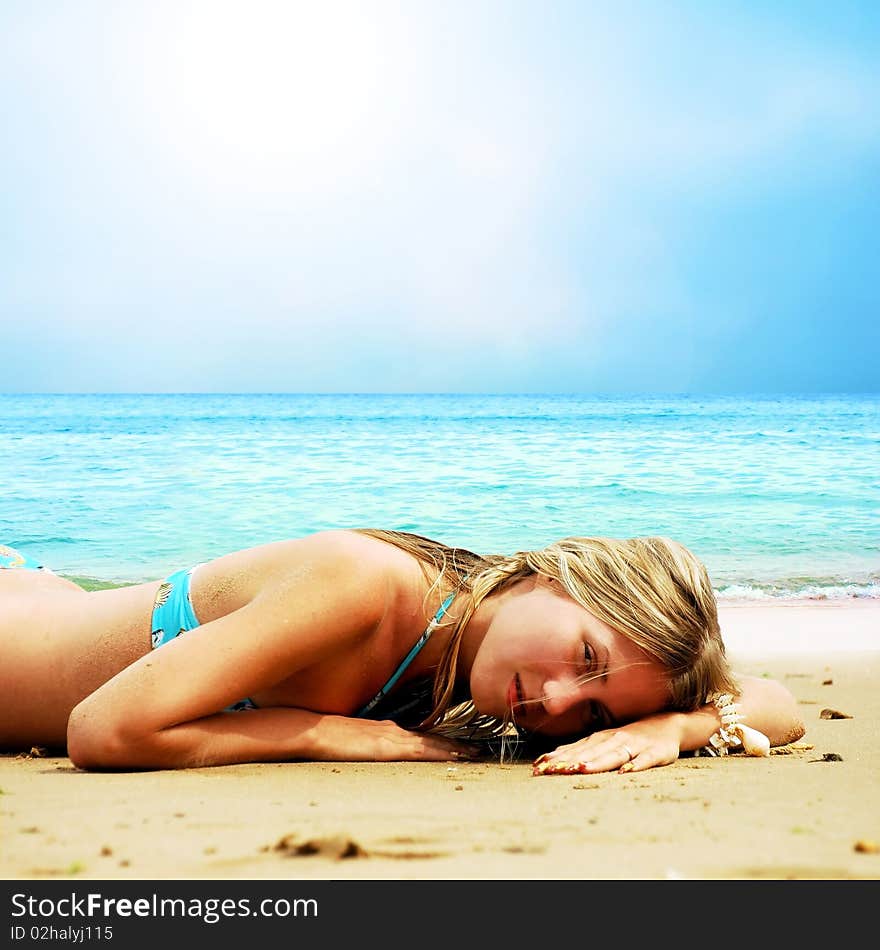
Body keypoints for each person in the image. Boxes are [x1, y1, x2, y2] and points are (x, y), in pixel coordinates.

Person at [0, 530, 804, 773]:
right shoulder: (367, 584)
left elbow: (779, 703)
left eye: (593, 709)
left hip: (55, 609)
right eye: (584, 657)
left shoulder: (458, 651)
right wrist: (320, 734)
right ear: (555, 576)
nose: (557, 704)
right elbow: (101, 732)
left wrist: (674, 729)